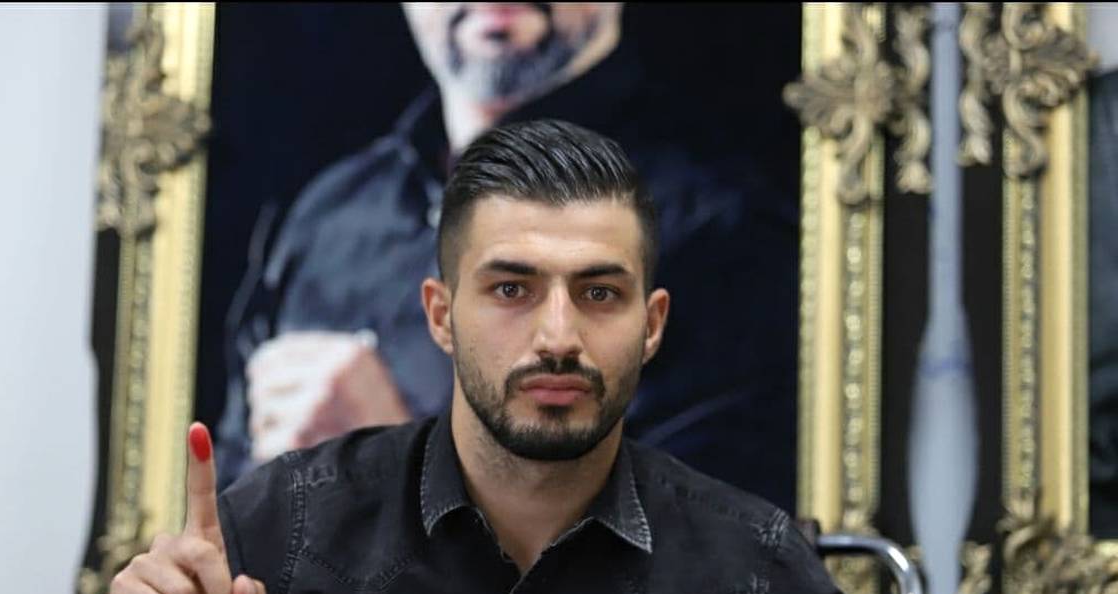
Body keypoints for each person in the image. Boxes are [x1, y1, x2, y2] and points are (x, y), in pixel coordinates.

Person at [9, 121, 880, 594]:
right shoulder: (290, 524)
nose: (557, 336)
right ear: (440, 314)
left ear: (650, 325)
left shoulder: (765, 575)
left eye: (598, 293)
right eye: (511, 288)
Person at [216, 2, 798, 512]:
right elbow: (236, 499)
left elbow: (696, 568)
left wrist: (405, 467)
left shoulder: (726, 233)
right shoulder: (327, 217)